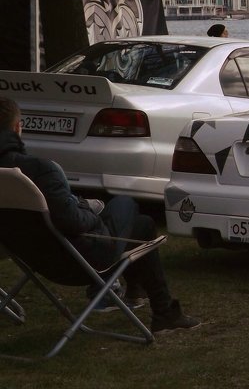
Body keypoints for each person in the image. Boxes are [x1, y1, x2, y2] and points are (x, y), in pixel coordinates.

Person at [0, 97, 200, 334]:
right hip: (83, 261)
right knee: (125, 203)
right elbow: (72, 222)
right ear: (17, 127)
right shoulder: (40, 170)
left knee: (143, 225)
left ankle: (147, 299)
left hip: (36, 260)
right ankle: (160, 310)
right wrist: (93, 211)